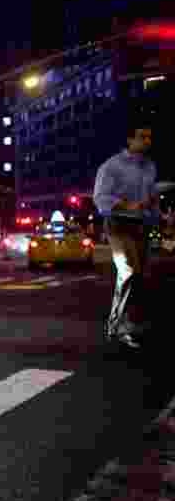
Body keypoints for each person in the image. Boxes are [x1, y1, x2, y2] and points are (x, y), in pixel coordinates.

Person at [93, 124, 158, 349]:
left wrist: (154, 212)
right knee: (127, 271)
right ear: (130, 140)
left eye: (150, 136)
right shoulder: (111, 167)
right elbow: (101, 199)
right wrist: (128, 205)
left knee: (140, 276)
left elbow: (150, 197)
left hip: (141, 227)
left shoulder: (150, 167)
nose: (148, 140)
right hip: (117, 225)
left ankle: (132, 323)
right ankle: (116, 327)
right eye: (143, 137)